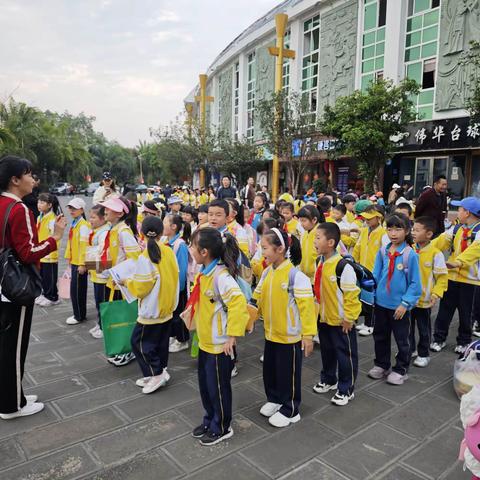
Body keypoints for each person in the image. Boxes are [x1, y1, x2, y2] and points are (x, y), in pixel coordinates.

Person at [0, 155, 66, 420]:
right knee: (15, 346)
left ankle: (14, 395)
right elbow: (28, 253)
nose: (33, 179)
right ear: (15, 180)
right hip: (16, 287)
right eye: (28, 174)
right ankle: (12, 405)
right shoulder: (19, 210)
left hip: (2, 284)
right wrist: (55, 238)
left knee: (5, 345)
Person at [187, 227, 249, 445]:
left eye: (193, 246)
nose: (190, 249)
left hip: (219, 345)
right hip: (205, 341)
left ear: (204, 252)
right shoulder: (205, 272)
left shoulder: (221, 276)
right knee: (205, 386)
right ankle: (209, 419)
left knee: (218, 389)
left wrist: (232, 336)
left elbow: (238, 303)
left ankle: (222, 426)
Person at [253, 227, 315, 427]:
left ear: (280, 249)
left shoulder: (296, 277)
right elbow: (257, 298)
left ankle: (291, 409)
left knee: (289, 373)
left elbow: (307, 310)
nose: (262, 252)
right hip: (271, 333)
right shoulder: (266, 273)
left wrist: (308, 335)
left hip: (290, 336)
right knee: (271, 371)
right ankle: (275, 399)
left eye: (265, 248)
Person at [124, 216, 179, 394]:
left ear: (141, 233)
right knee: (160, 343)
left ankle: (156, 374)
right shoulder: (167, 250)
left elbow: (140, 288)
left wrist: (127, 282)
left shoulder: (146, 256)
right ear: (162, 233)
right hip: (167, 306)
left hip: (152, 309)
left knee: (139, 343)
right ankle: (160, 370)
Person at [368, 213, 422, 385]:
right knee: (380, 336)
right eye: (389, 229)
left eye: (398, 229)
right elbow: (375, 275)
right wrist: (369, 292)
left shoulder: (409, 255)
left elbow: (415, 283)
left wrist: (405, 303)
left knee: (402, 339)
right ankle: (382, 364)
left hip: (399, 307)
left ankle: (401, 368)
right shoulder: (383, 251)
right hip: (381, 303)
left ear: (406, 231)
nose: (393, 233)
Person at [312, 223, 361, 406]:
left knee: (345, 355)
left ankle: (346, 388)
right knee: (327, 351)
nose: (314, 241)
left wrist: (349, 318)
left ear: (331, 242)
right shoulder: (320, 262)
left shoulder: (342, 266)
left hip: (341, 321)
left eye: (318, 238)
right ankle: (329, 379)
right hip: (324, 317)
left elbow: (351, 295)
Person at [431, 197, 480, 354]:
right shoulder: (456, 229)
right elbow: (439, 242)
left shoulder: (478, 232)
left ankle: (464, 341)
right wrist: (422, 248)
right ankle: (439, 338)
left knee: (467, 314)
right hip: (451, 277)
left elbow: (475, 251)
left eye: (459, 209)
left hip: (471, 280)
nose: (457, 211)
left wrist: (457, 262)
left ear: (467, 212)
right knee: (444, 310)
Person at [103, 196, 142, 366]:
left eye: (109, 209)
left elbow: (135, 259)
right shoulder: (114, 229)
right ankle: (123, 348)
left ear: (119, 213)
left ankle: (127, 351)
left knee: (125, 318)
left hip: (122, 284)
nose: (105, 211)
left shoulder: (123, 232)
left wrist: (123, 278)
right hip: (114, 282)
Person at [410, 217, 448, 367]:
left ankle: (424, 354)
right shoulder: (409, 249)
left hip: (424, 301)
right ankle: (411, 349)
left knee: (424, 329)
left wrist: (436, 293)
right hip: (408, 299)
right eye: (413, 229)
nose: (413, 232)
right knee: (407, 327)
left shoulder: (435, 253)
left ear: (429, 234)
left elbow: (442, 277)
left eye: (417, 230)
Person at [352, 205, 389, 336]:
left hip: (374, 271)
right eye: (365, 218)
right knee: (364, 297)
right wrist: (354, 262)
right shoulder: (364, 231)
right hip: (363, 269)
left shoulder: (383, 234)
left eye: (370, 218)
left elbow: (386, 254)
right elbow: (358, 247)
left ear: (379, 218)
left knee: (372, 298)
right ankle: (367, 321)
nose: (366, 220)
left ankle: (371, 324)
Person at [163, 214, 192, 353]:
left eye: (165, 222)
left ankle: (183, 340)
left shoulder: (180, 245)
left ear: (173, 227)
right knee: (172, 314)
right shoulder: (166, 241)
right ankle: (175, 336)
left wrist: (178, 288)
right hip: (170, 286)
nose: (162, 225)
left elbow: (182, 270)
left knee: (179, 315)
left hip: (178, 288)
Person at [65, 197, 90, 326]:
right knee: (76, 289)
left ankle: (79, 315)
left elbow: (84, 246)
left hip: (79, 263)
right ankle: (79, 313)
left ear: (81, 210)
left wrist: (82, 264)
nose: (71, 210)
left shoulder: (83, 225)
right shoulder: (76, 222)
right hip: (74, 261)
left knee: (77, 290)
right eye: (70, 208)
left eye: (74, 208)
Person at [87, 204, 111, 340]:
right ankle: (100, 323)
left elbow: (103, 253)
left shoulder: (104, 232)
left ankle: (104, 327)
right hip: (96, 272)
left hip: (102, 274)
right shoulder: (98, 230)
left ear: (103, 219)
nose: (90, 220)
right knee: (98, 301)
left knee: (103, 302)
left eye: (93, 217)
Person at [35, 193, 61, 307]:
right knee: (42, 276)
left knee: (50, 277)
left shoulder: (53, 219)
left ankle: (52, 297)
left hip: (50, 253)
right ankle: (44, 293)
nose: (39, 205)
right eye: (38, 202)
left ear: (50, 205)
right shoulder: (40, 217)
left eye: (42, 202)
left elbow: (55, 236)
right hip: (41, 252)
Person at [298, 205, 324, 284]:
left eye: (304, 221)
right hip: (305, 277)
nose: (301, 224)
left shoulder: (321, 233)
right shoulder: (305, 233)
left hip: (317, 277)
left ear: (314, 220)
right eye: (300, 221)